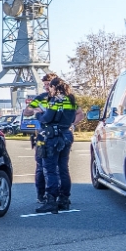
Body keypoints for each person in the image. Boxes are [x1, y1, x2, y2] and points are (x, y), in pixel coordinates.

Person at [34, 76, 77, 214]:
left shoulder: (55, 100)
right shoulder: (71, 99)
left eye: (50, 87)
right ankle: (64, 200)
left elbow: (47, 118)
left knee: (50, 170)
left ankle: (51, 201)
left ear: (54, 87)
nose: (49, 90)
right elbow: (73, 118)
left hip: (53, 138)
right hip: (66, 135)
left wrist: (38, 114)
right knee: (63, 169)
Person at [23, 72, 58, 204]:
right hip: (42, 136)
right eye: (45, 85)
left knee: (58, 167)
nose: (47, 87)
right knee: (41, 166)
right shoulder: (41, 98)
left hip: (57, 135)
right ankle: (41, 195)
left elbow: (76, 113)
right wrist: (35, 109)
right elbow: (26, 112)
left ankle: (57, 195)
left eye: (49, 84)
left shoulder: (61, 98)